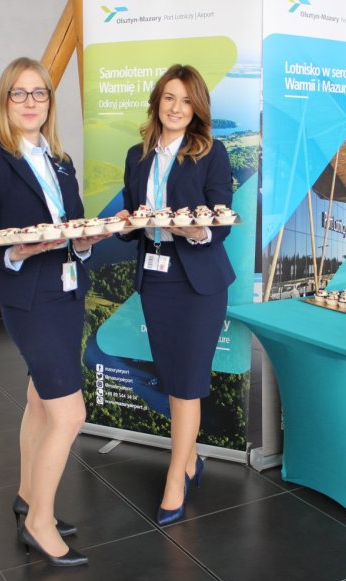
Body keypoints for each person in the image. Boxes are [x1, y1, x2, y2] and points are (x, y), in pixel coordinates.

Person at [0, 57, 107, 566]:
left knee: (41, 401)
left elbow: (70, 227)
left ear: (50, 101)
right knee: (71, 413)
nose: (30, 102)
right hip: (28, 298)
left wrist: (85, 241)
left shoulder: (60, 161)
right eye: (19, 93)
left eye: (39, 93)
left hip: (66, 292)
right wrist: (20, 251)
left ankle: (28, 497)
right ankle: (39, 525)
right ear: (5, 101)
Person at [115, 64, 236, 525]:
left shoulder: (211, 152)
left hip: (197, 281)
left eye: (186, 100)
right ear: (157, 102)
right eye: (169, 97)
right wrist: (126, 224)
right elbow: (133, 216)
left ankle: (175, 478)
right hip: (156, 278)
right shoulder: (137, 155)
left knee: (187, 382)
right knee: (171, 378)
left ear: (197, 108)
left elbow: (221, 219)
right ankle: (190, 460)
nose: (176, 107)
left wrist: (197, 231)